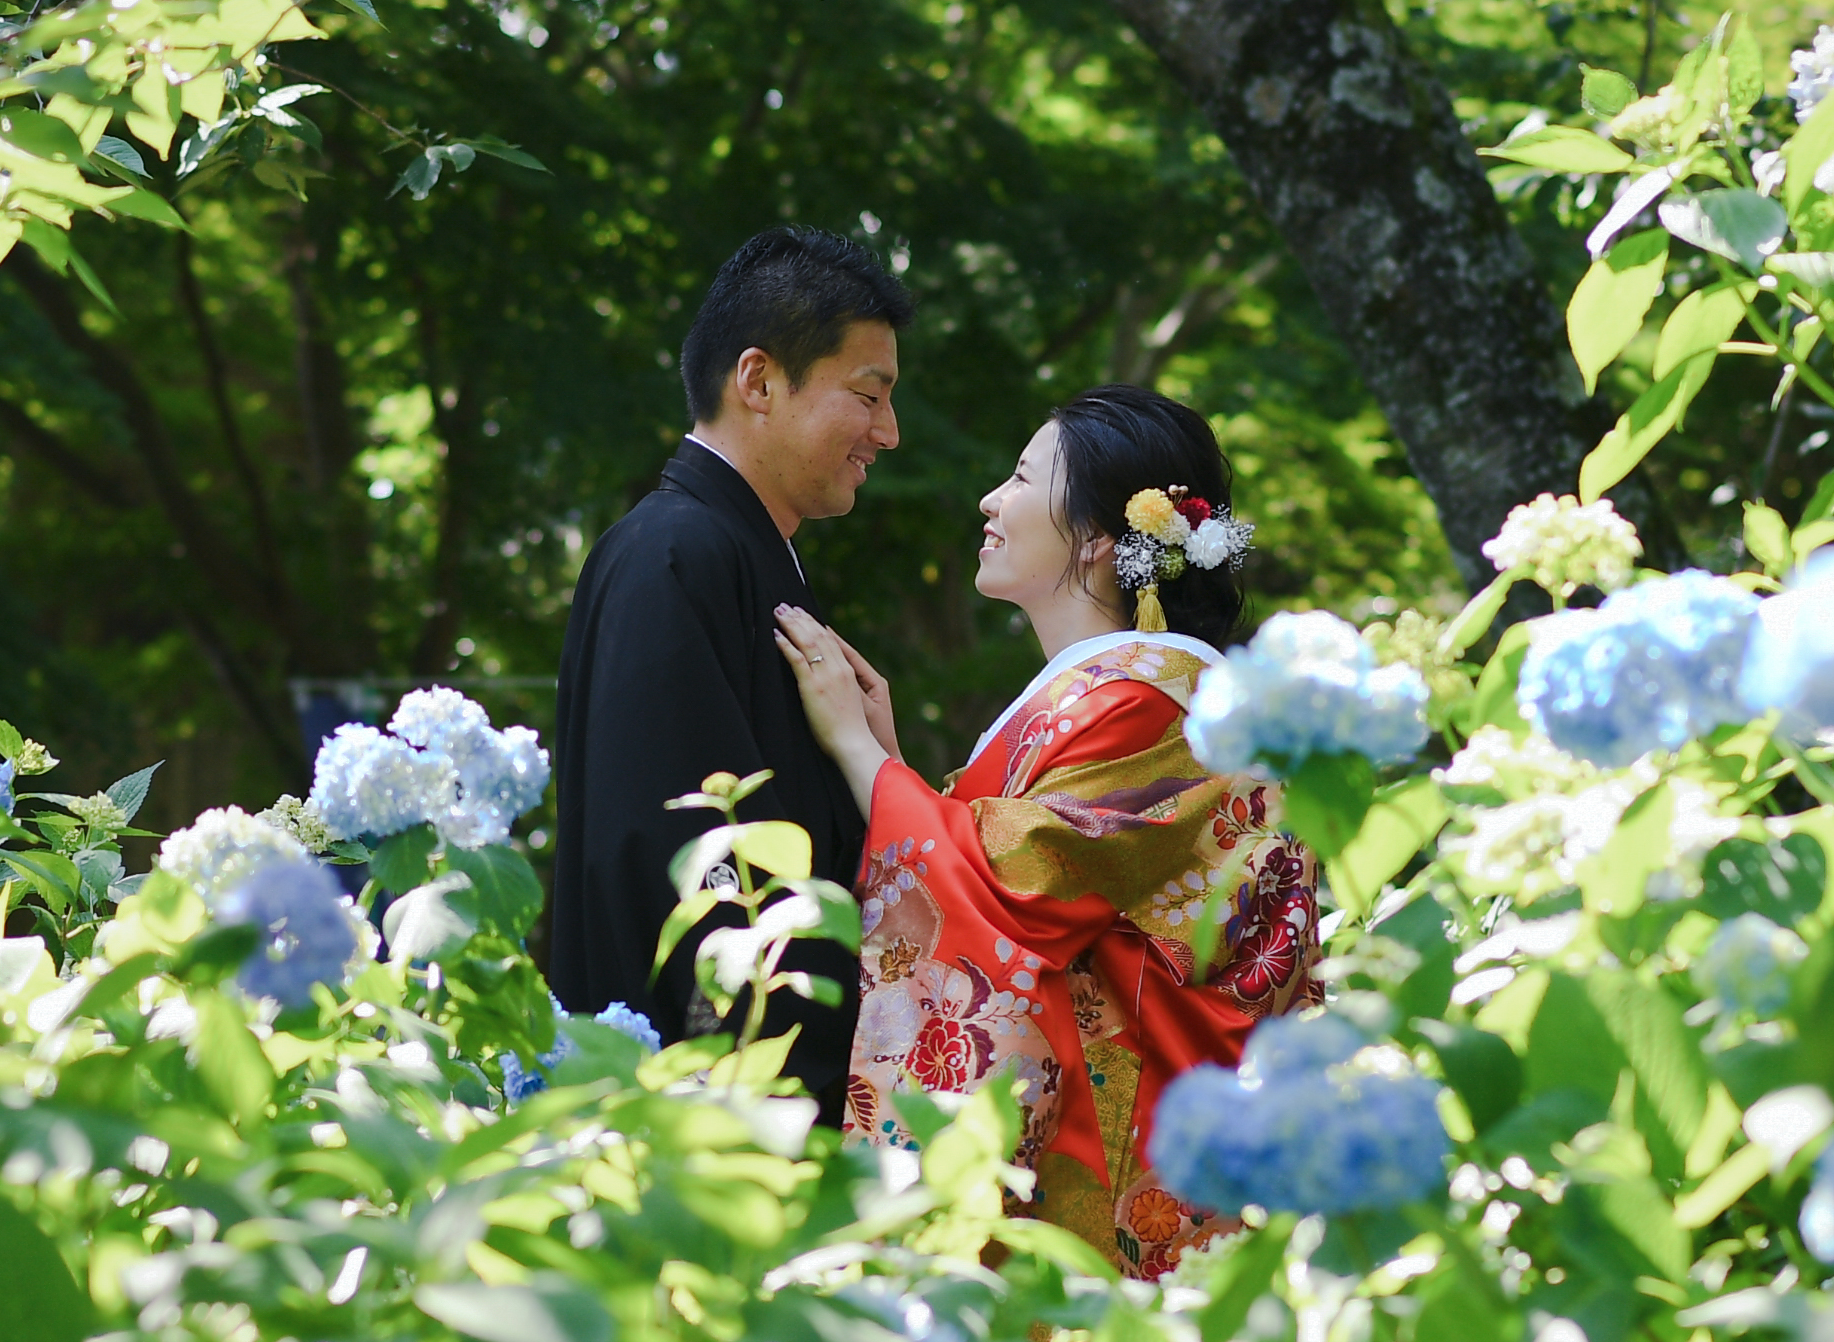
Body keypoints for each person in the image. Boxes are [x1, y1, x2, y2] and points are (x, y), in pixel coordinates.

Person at [773, 385, 1324, 1277]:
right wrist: (893, 761)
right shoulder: (1116, 691)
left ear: (1101, 537)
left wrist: (856, 753)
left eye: (1024, 477)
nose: (991, 500)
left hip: (1138, 1151)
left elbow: (1019, 882)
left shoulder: (1153, 699)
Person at [548, 225, 913, 1100]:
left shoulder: (736, 551)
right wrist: (782, 1088)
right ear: (758, 381)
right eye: (868, 395)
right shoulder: (673, 554)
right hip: (720, 1104)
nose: (889, 432)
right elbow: (690, 855)